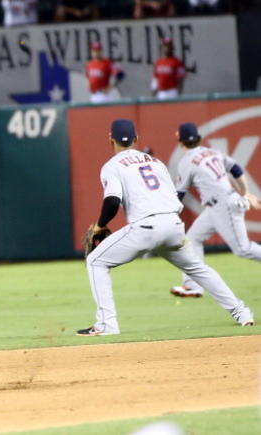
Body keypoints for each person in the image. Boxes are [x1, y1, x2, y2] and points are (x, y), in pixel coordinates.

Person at [77, 119, 254, 336]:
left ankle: (107, 324)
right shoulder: (155, 161)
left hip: (145, 228)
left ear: (110, 139)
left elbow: (112, 201)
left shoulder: (112, 166)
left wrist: (100, 224)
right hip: (173, 224)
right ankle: (242, 312)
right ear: (136, 139)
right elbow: (174, 198)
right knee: (198, 269)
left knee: (96, 261)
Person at [170, 122, 261, 298]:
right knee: (192, 239)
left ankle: (193, 285)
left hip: (224, 204)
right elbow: (236, 169)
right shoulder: (212, 152)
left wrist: (167, 214)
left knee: (243, 249)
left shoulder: (187, 161)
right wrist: (246, 192)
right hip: (216, 206)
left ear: (180, 141)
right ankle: (193, 285)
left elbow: (179, 195)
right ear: (198, 138)